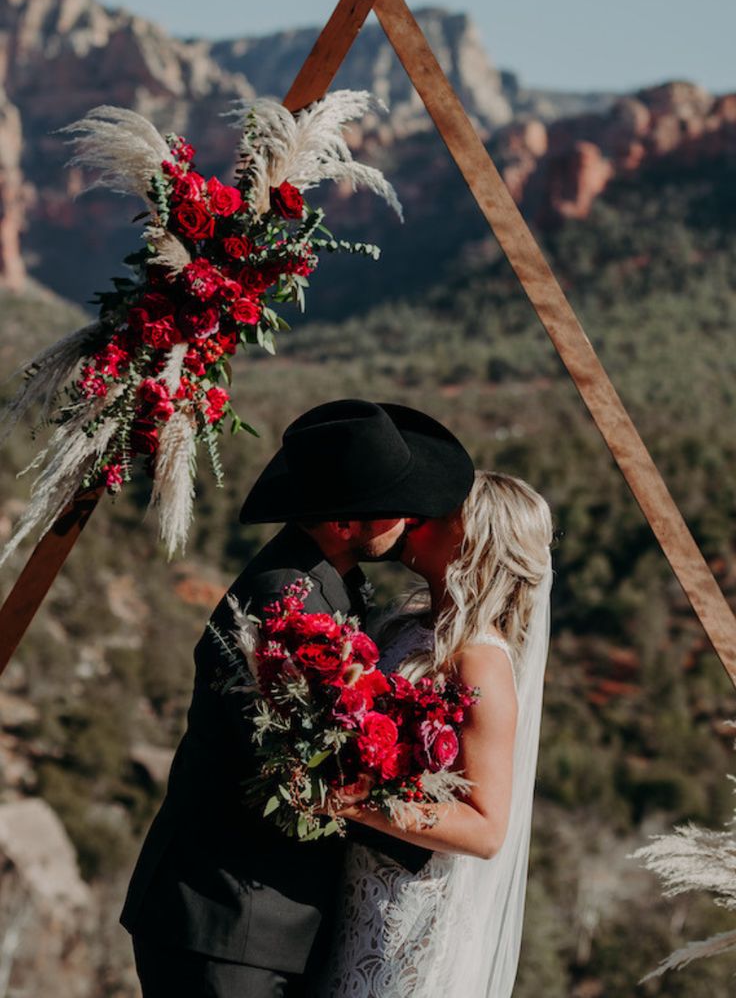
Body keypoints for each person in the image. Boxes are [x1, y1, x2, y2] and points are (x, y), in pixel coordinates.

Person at [120, 398, 475, 998]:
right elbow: (305, 769)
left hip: (257, 919)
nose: (412, 517)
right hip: (230, 923)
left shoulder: (321, 584)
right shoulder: (285, 606)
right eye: (398, 505)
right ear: (344, 524)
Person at [317, 470, 553, 998]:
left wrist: (356, 803)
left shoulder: (481, 663)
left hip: (405, 913)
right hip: (353, 882)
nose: (413, 517)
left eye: (437, 514)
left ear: (470, 542)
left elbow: (487, 831)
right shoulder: (407, 625)